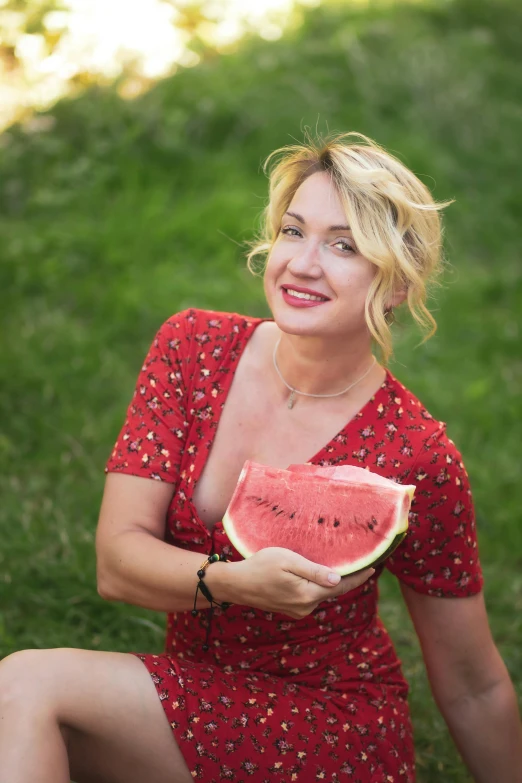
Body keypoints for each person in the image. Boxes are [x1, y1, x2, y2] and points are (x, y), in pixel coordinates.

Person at [0, 132, 521, 783]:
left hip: (331, 727)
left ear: (393, 285)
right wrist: (237, 582)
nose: (303, 262)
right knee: (14, 716)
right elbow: (116, 562)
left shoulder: (416, 453)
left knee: (22, 685)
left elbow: (473, 684)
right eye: (293, 231)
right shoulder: (191, 348)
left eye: (343, 245)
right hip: (189, 694)